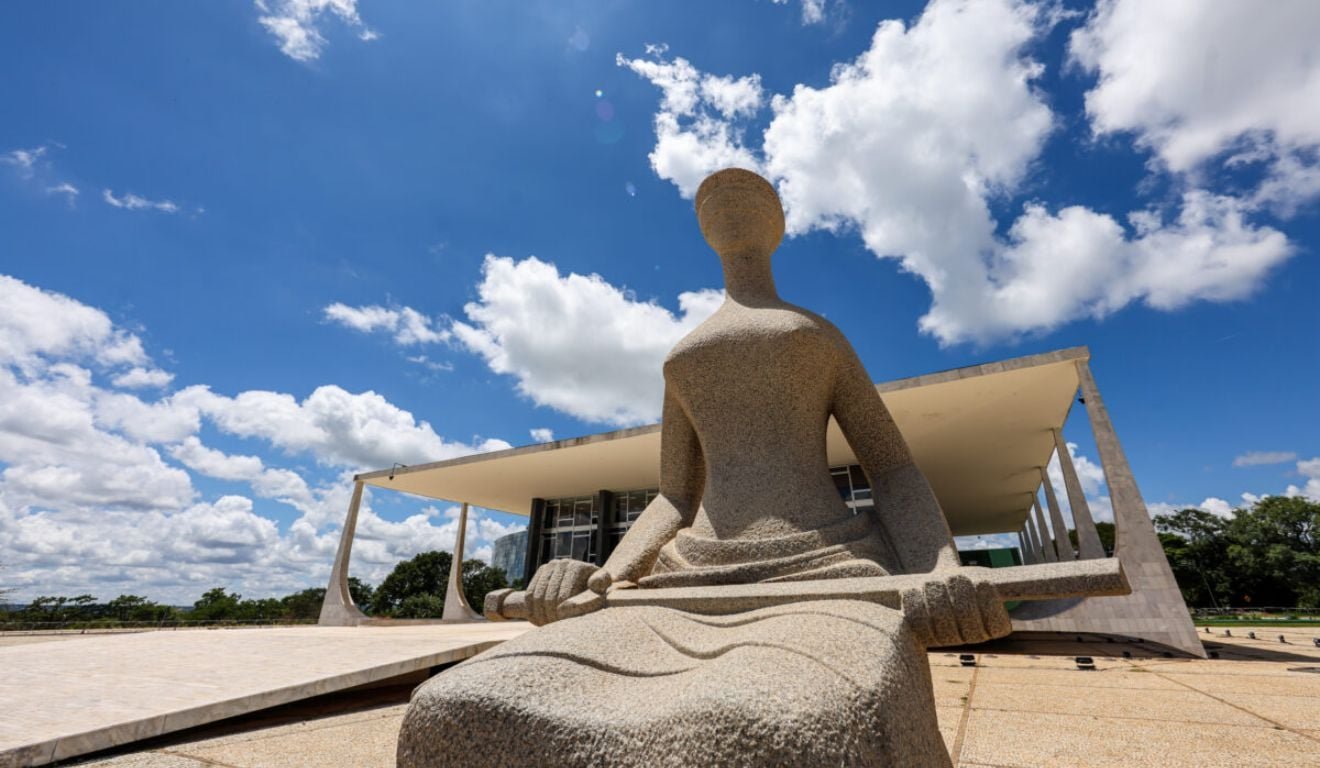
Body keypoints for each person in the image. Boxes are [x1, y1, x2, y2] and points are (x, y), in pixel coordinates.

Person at [397, 169, 1011, 768]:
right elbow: (673, 497)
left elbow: (894, 468)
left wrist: (938, 569)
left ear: (780, 227)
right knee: (457, 703)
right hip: (682, 581)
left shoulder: (817, 335)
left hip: (827, 571)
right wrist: (603, 577)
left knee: (799, 725)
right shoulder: (683, 358)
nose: (726, 192)